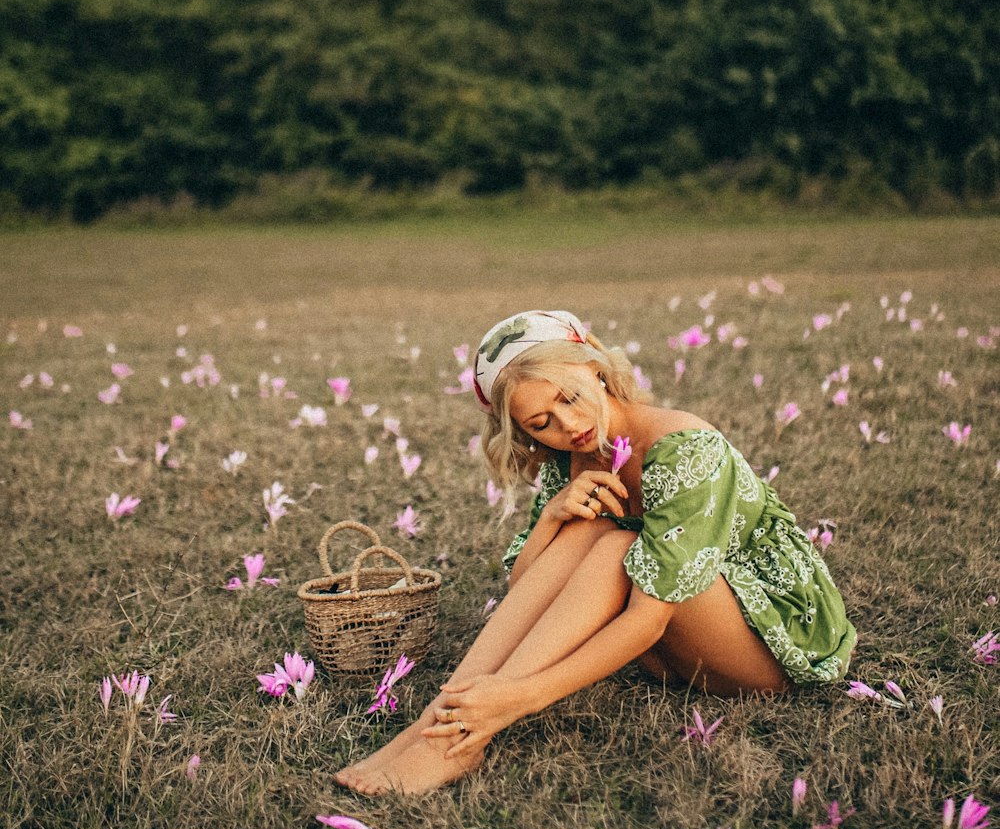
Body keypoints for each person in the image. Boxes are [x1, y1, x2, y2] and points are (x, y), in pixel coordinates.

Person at [335, 309, 856, 795]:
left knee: (617, 544)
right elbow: (529, 593)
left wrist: (520, 698)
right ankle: (440, 723)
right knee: (587, 530)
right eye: (541, 424)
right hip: (677, 649)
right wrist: (550, 517)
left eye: (570, 396)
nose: (568, 425)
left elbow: (648, 622)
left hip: (770, 650)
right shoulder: (574, 455)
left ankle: (464, 731)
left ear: (597, 369)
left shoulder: (685, 448)